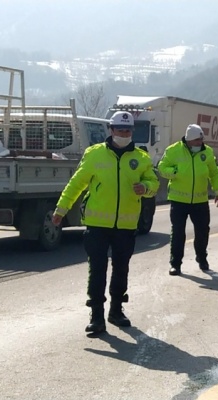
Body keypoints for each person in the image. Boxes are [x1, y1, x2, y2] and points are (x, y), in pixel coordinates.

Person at [51, 111, 159, 334]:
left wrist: (145, 188)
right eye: (120, 130)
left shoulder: (140, 158)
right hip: (97, 225)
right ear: (111, 130)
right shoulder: (94, 155)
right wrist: (61, 210)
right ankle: (97, 317)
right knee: (97, 270)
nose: (124, 133)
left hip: (126, 226)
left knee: (121, 269)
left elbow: (153, 182)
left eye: (128, 130)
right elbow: (76, 184)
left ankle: (116, 311)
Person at [158, 123, 218, 275]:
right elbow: (161, 168)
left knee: (202, 232)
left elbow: (214, 172)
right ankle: (175, 264)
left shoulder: (207, 152)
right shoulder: (173, 151)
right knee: (178, 233)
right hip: (178, 200)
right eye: (196, 141)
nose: (199, 143)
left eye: (201, 140)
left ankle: (202, 258)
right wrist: (175, 171)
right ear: (188, 140)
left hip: (200, 201)